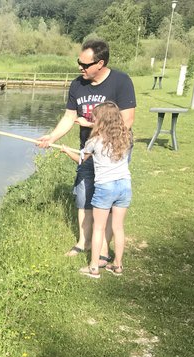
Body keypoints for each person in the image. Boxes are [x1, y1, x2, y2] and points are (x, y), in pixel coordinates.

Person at [37, 39, 136, 265]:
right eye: (78, 62)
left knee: (108, 200)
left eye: (84, 64)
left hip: (112, 151)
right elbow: (69, 117)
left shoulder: (121, 81)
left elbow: (127, 120)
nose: (80, 68)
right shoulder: (77, 85)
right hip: (87, 149)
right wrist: (52, 137)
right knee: (83, 195)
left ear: (100, 63)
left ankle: (102, 250)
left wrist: (91, 126)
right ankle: (84, 242)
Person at [61, 102, 132, 278]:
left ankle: (93, 267)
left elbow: (81, 160)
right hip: (124, 186)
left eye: (95, 118)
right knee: (118, 227)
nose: (92, 120)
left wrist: (66, 150)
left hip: (105, 187)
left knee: (98, 227)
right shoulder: (127, 138)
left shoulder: (94, 141)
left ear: (100, 121)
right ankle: (117, 265)